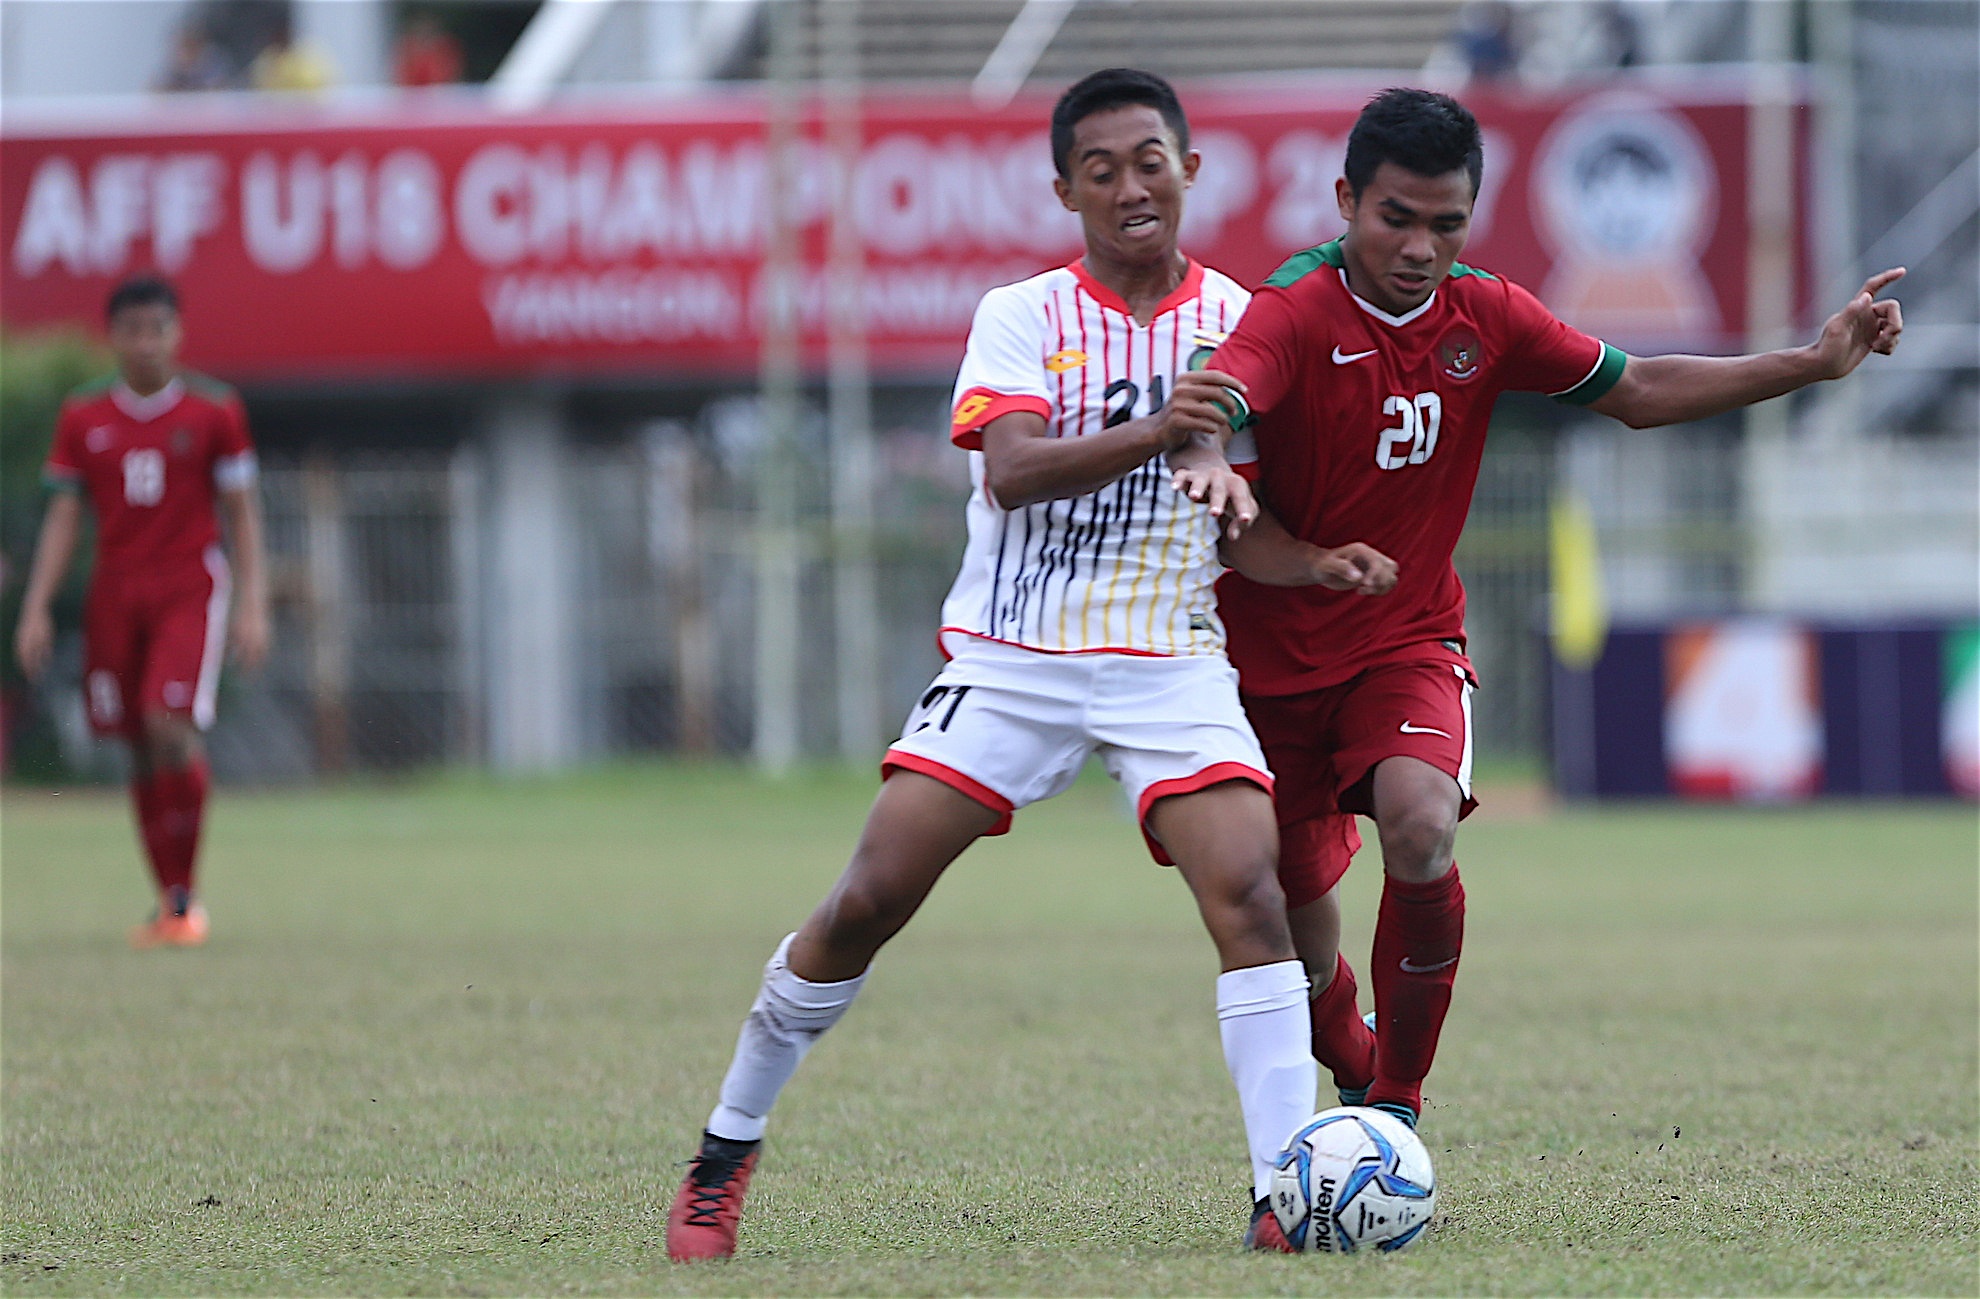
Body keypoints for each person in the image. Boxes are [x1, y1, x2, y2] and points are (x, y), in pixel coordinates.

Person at [663, 68, 1398, 1262]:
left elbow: (1233, 509)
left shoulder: (1242, 319)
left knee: (1253, 899)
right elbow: (1009, 469)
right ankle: (722, 1155)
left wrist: (1307, 561)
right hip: (1017, 658)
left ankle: (1283, 1194)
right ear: (1066, 190)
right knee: (867, 902)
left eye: (1148, 160)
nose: (1128, 186)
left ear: (1190, 169)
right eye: (1099, 169)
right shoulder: (1022, 314)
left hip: (1171, 656)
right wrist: (1165, 430)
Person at [1206, 87, 1903, 1131]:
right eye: (1396, 217)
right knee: (1299, 951)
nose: (1420, 246)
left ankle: (1395, 1110)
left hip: (1406, 639)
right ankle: (1355, 1061)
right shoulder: (1291, 310)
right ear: (1347, 200)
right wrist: (1223, 470)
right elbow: (1223, 393)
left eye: (1447, 223)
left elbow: (1641, 390)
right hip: (1268, 669)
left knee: (1421, 825)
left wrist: (1812, 360)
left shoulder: (1485, 313)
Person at [13, 275, 271, 949]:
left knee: (168, 720)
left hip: (189, 583)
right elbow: (65, 515)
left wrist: (254, 603)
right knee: (133, 740)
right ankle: (169, 902)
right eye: (134, 329)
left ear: (177, 333)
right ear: (114, 335)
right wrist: (36, 606)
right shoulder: (84, 416)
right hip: (115, 590)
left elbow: (242, 513)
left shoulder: (216, 411)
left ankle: (186, 895)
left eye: (159, 328)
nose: (147, 342)